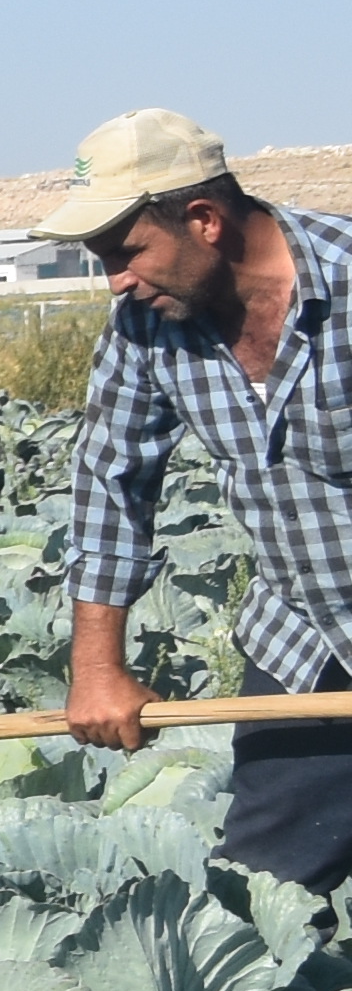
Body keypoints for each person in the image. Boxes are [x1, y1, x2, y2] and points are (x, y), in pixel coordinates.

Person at [50, 109, 352, 889]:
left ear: (204, 220)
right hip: (306, 636)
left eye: (126, 252)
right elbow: (111, 482)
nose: (118, 278)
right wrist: (98, 669)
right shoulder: (145, 327)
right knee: (266, 893)